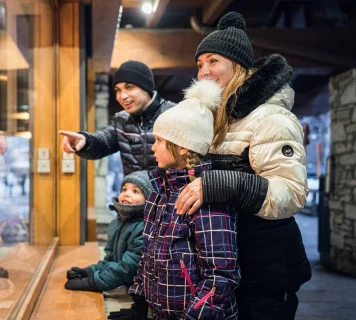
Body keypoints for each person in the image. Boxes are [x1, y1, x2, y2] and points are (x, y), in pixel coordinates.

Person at [175, 12, 311, 320]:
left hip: (265, 269)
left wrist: (221, 184)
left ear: (238, 66)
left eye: (213, 61)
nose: (204, 72)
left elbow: (291, 194)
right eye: (200, 64)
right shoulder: (215, 119)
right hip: (227, 266)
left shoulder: (272, 118)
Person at [110, 79, 239, 320]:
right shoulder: (159, 191)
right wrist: (139, 305)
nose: (152, 148)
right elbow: (147, 258)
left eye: (159, 140)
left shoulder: (205, 198)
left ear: (182, 147)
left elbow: (220, 278)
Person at [59, 61, 175, 175]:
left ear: (146, 88)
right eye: (117, 90)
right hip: (134, 192)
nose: (122, 96)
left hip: (173, 193)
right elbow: (104, 141)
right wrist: (85, 141)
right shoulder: (121, 119)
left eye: (129, 87)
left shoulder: (175, 114)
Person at [64, 170, 153, 293]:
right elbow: (111, 260)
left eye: (135, 191)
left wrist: (92, 282)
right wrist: (89, 272)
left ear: (148, 200)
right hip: (128, 287)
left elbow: (126, 269)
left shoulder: (144, 228)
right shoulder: (119, 221)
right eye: (124, 189)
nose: (126, 194)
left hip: (142, 293)